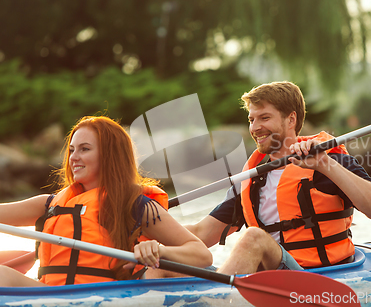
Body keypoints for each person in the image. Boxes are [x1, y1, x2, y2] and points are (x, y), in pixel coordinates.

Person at [186, 81, 371, 275]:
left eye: (264, 118)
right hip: (268, 280)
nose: (255, 127)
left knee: (254, 238)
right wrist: (156, 238)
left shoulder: (328, 160)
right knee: (166, 264)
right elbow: (201, 233)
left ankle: (220, 298)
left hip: (320, 274)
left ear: (291, 120)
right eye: (251, 119)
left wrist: (325, 165)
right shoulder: (251, 179)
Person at [0, 116, 212, 286]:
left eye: (85, 149)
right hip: (47, 293)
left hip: (100, 292)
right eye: (72, 149)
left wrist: (160, 250)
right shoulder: (48, 204)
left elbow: (201, 254)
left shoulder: (134, 205)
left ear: (110, 155)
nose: (73, 157)